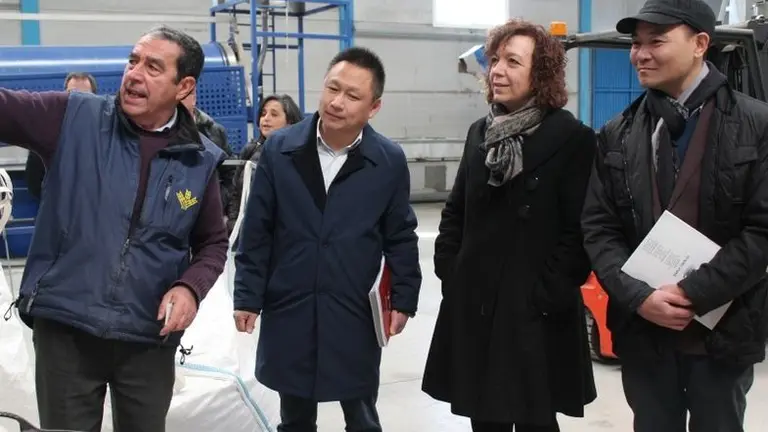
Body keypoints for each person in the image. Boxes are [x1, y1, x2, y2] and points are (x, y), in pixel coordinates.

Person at [0, 26, 229, 432]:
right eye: (133, 61)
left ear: (184, 86)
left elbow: (212, 242)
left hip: (148, 337)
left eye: (153, 67)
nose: (134, 74)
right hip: (67, 329)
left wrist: (190, 288)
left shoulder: (199, 159)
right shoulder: (73, 118)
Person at [581, 1, 768, 431]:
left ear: (700, 44)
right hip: (644, 332)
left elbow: (762, 231)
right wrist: (638, 297)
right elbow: (599, 228)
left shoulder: (756, 126)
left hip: (722, 331)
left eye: (656, 41)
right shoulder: (618, 132)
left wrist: (693, 292)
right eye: (636, 43)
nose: (640, 54)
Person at [421, 18, 597, 432]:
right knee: (484, 417)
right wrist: (451, 269)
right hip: (476, 304)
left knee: (537, 418)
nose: (497, 71)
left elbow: (579, 231)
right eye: (495, 60)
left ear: (541, 74)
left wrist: (546, 293)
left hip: (535, 313)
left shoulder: (573, 138)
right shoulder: (480, 133)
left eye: (513, 62)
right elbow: (456, 209)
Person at [233, 47, 422, 431]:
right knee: (295, 415)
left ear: (374, 107)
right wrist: (247, 296)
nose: (337, 102)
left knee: (362, 414)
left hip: (353, 308)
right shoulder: (281, 149)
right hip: (290, 302)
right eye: (332, 88)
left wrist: (404, 298)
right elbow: (257, 230)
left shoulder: (387, 160)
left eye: (352, 95)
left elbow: (400, 234)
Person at [227, 93, 302, 234]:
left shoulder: (299, 156)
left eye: (274, 114)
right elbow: (236, 192)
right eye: (263, 114)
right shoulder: (249, 150)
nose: (266, 119)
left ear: (290, 122)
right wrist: (233, 223)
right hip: (246, 233)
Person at [24, 72, 97, 200]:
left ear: (95, 99)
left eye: (85, 96)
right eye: (72, 94)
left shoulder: (105, 134)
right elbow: (34, 182)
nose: (77, 101)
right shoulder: (45, 133)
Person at [181, 89, 236, 218]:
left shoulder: (215, 131)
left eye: (182, 96)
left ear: (194, 98)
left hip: (210, 213)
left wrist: (217, 201)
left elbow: (230, 173)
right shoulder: (159, 132)